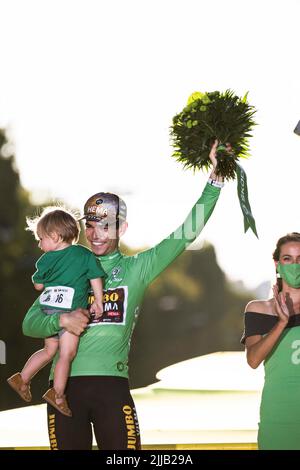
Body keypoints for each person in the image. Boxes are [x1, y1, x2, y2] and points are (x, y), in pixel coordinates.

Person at [22, 141, 225, 450]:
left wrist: (215, 180)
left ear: (122, 227)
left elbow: (186, 234)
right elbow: (30, 323)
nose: (96, 233)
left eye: (105, 226)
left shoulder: (137, 269)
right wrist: (63, 318)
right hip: (63, 390)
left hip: (112, 387)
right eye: (90, 226)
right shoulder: (65, 265)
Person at [7, 207, 105, 417]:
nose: (40, 244)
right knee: (66, 354)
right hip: (70, 313)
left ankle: (22, 378)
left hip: (49, 310)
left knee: (50, 351)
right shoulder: (84, 254)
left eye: (41, 239)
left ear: (55, 236)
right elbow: (95, 278)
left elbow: (38, 287)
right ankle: (58, 395)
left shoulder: (45, 260)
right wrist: (99, 301)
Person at [241, 232, 300, 450]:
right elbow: (253, 360)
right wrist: (281, 324)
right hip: (278, 419)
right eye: (288, 259)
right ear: (277, 264)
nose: (294, 265)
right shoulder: (258, 309)